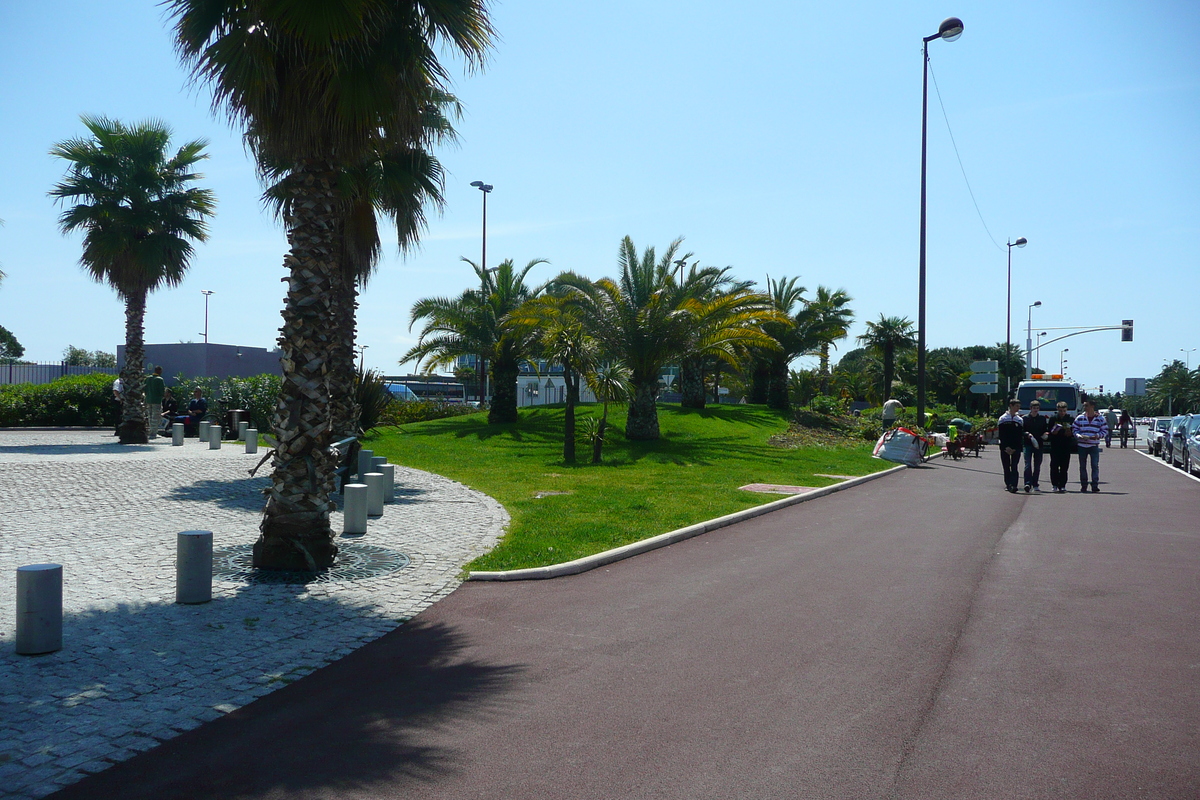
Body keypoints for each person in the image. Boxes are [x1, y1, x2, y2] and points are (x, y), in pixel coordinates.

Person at [1073, 399, 1108, 493]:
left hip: (1093, 445)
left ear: (1092, 406)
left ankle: (1094, 485)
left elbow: (1105, 431)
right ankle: (1084, 485)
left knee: (1094, 466)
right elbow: (1075, 429)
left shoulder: (1100, 419)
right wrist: (1079, 436)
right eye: (1084, 406)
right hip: (1082, 445)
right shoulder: (1080, 417)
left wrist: (1096, 436)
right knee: (1082, 466)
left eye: (1086, 405)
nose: (1085, 407)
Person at [1047, 401, 1076, 493]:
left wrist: (1070, 433)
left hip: (1066, 445)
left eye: (1063, 410)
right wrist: (1053, 432)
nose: (1062, 413)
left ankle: (1062, 485)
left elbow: (1074, 431)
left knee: (1064, 466)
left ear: (1066, 410)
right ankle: (1054, 484)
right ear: (1057, 410)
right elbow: (1049, 431)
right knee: (1054, 466)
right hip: (1055, 445)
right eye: (1060, 411)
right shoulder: (1053, 419)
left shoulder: (1070, 419)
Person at [1022, 399, 1050, 492]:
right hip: (1028, 444)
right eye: (1034, 408)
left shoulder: (1042, 419)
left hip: (1039, 445)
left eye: (1037, 408)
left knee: (1037, 465)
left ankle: (1035, 484)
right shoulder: (1025, 418)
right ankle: (1027, 483)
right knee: (1028, 465)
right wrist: (1027, 434)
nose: (1036, 410)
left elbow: (1045, 430)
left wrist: (1045, 434)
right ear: (1030, 408)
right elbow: (1022, 431)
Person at [997, 399, 1024, 493]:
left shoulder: (1019, 420)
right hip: (1005, 447)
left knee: (1014, 466)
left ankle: (1014, 485)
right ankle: (1008, 484)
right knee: (1006, 466)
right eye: (1016, 406)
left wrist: (1015, 448)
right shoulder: (1003, 418)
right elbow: (1001, 435)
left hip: (1016, 447)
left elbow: (1019, 435)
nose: (1018, 408)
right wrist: (1005, 447)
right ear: (1011, 406)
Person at [144, 367, 166, 439]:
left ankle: (151, 431)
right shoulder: (160, 379)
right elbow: (162, 391)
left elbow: (145, 389)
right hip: (156, 401)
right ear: (159, 371)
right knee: (155, 417)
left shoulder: (147, 379)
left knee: (150, 416)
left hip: (148, 400)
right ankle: (154, 432)